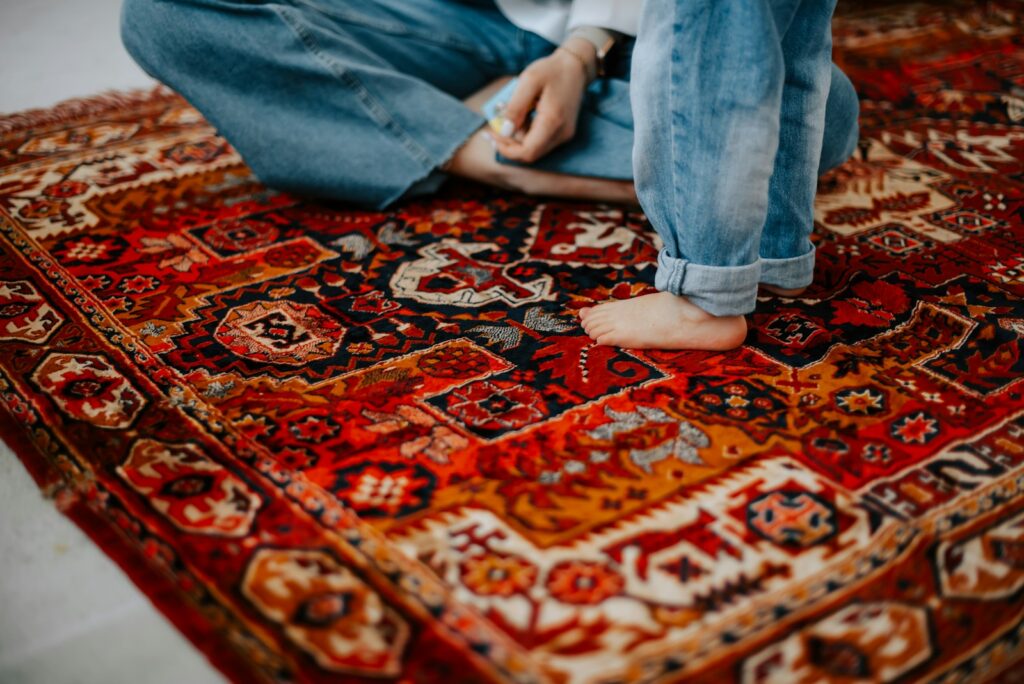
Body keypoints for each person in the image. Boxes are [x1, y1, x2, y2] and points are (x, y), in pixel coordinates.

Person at [120, 0, 858, 351]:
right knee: (164, 11)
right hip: (451, 20)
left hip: (607, 34)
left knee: (822, 107)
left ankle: (420, 131)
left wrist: (580, 52)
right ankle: (485, 152)